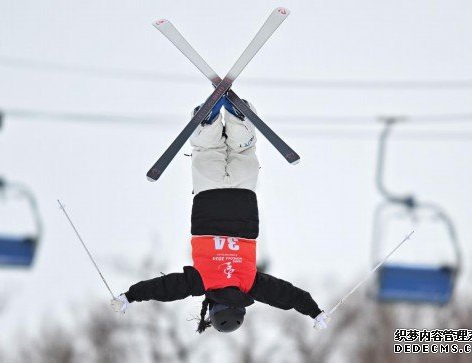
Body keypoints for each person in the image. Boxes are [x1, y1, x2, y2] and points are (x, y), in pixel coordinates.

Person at [111, 97, 329, 333]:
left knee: (244, 150)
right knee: (207, 150)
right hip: (209, 194)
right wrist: (130, 296)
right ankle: (208, 124)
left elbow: (288, 295)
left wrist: (314, 311)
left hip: (243, 196)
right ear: (212, 307)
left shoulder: (251, 284)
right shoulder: (200, 281)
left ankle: (239, 119)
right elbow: (163, 288)